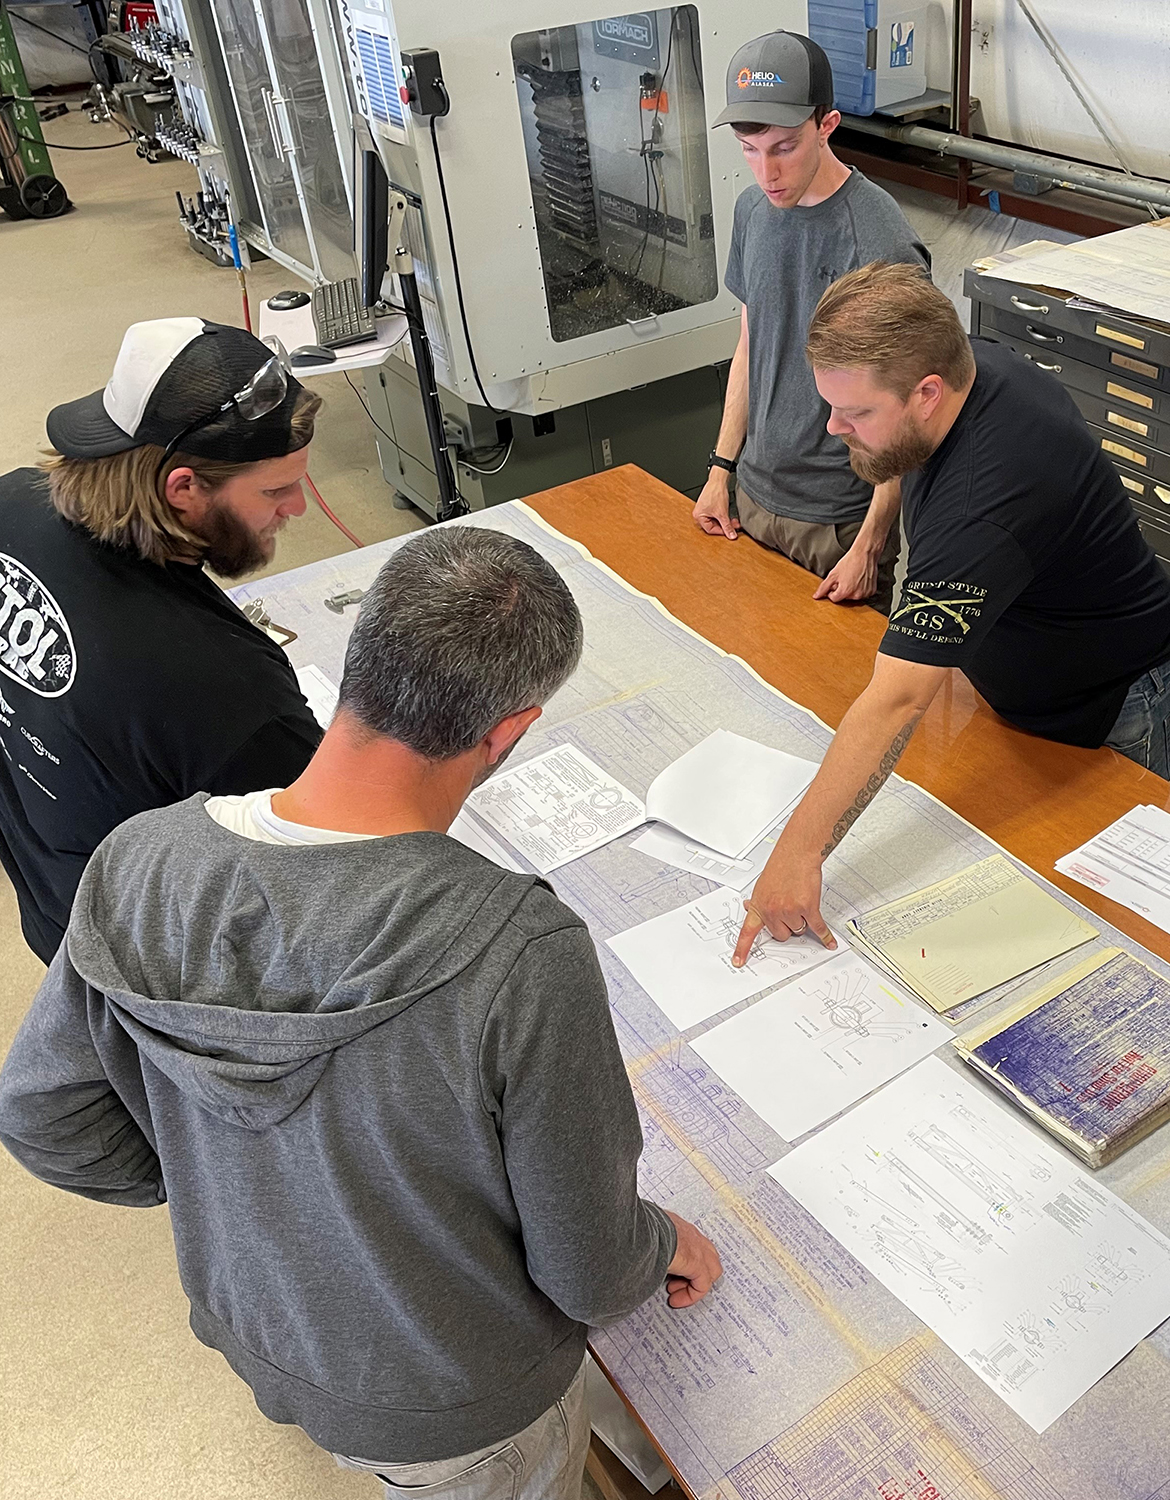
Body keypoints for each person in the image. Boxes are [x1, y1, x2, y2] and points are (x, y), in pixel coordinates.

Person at [0, 525, 723, 1500]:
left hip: (258, 1333)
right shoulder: (518, 951)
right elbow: (589, 1272)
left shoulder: (140, 860)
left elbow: (43, 1116)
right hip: (464, 1415)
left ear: (358, 666)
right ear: (508, 730)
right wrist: (665, 1239)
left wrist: (233, 1194)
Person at [732, 261, 1170, 961]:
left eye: (855, 415)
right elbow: (901, 458)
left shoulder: (984, 504)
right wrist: (873, 535)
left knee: (1090, 917)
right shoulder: (969, 367)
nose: (833, 428)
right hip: (1019, 666)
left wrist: (797, 856)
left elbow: (894, 704)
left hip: (1109, 695)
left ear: (926, 392)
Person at [0, 316, 325, 965]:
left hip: (52, 893)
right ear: (183, 489)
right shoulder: (229, 693)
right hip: (157, 963)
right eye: (275, 489)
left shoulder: (11, 501)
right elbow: (331, 873)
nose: (298, 507)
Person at [692, 30, 929, 613]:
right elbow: (752, 346)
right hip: (750, 499)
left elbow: (911, 410)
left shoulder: (879, 238)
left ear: (827, 125)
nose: (765, 172)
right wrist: (721, 469)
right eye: (750, 149)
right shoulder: (752, 210)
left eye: (784, 148)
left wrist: (871, 544)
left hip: (836, 525)